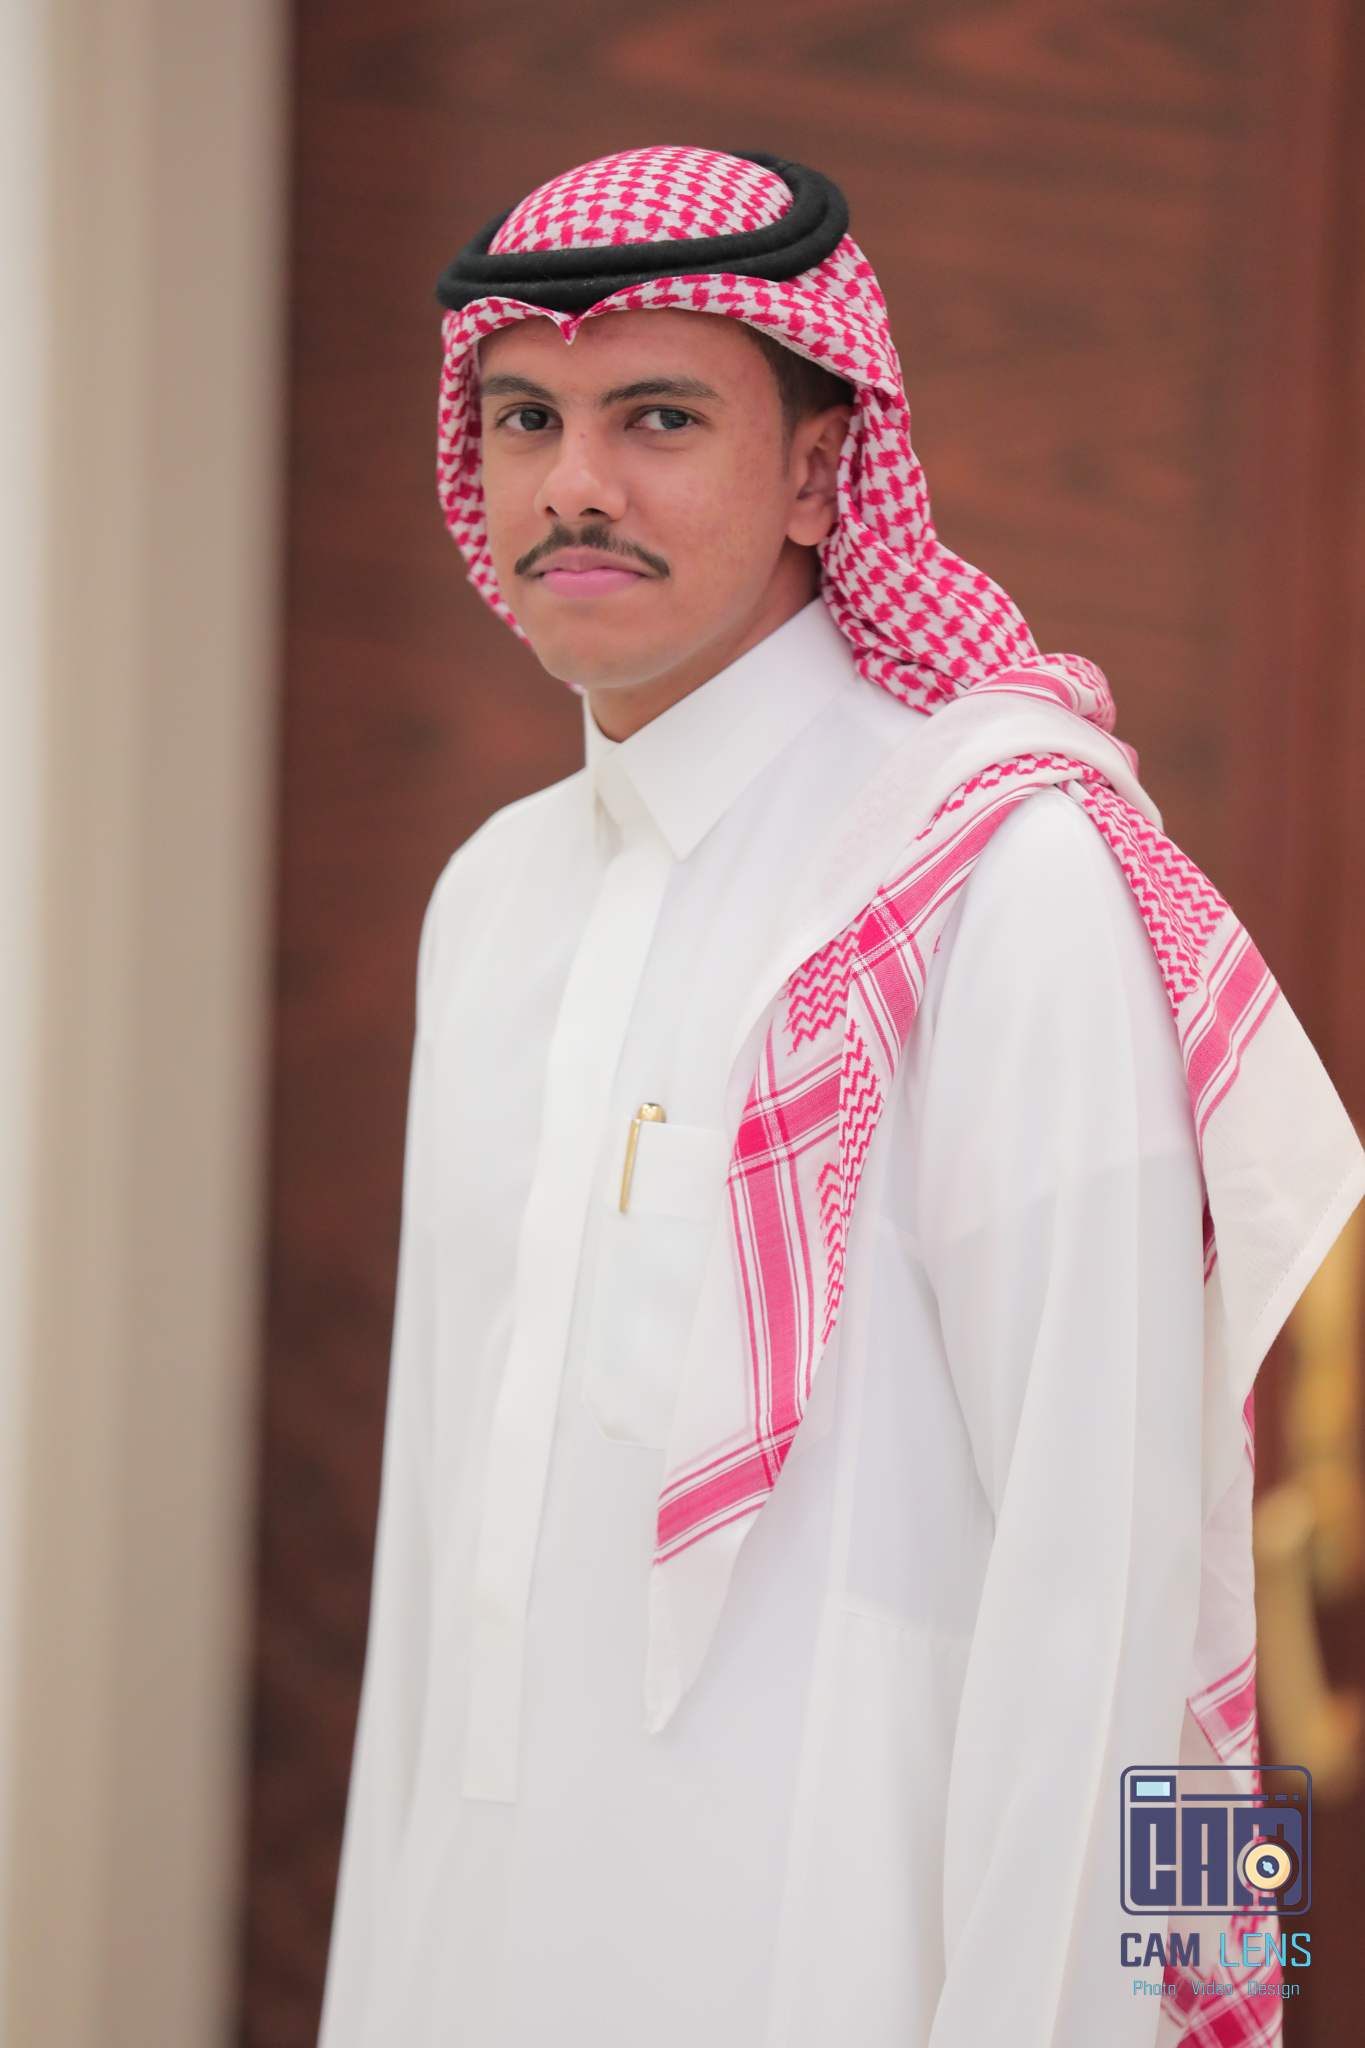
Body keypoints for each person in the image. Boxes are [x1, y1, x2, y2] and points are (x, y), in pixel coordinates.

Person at [318, 147, 1363, 2048]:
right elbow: (431, 1605)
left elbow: (1109, 1590)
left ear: (820, 470)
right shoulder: (491, 901)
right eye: (525, 418)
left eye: (657, 417)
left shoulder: (1002, 876)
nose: (572, 484)